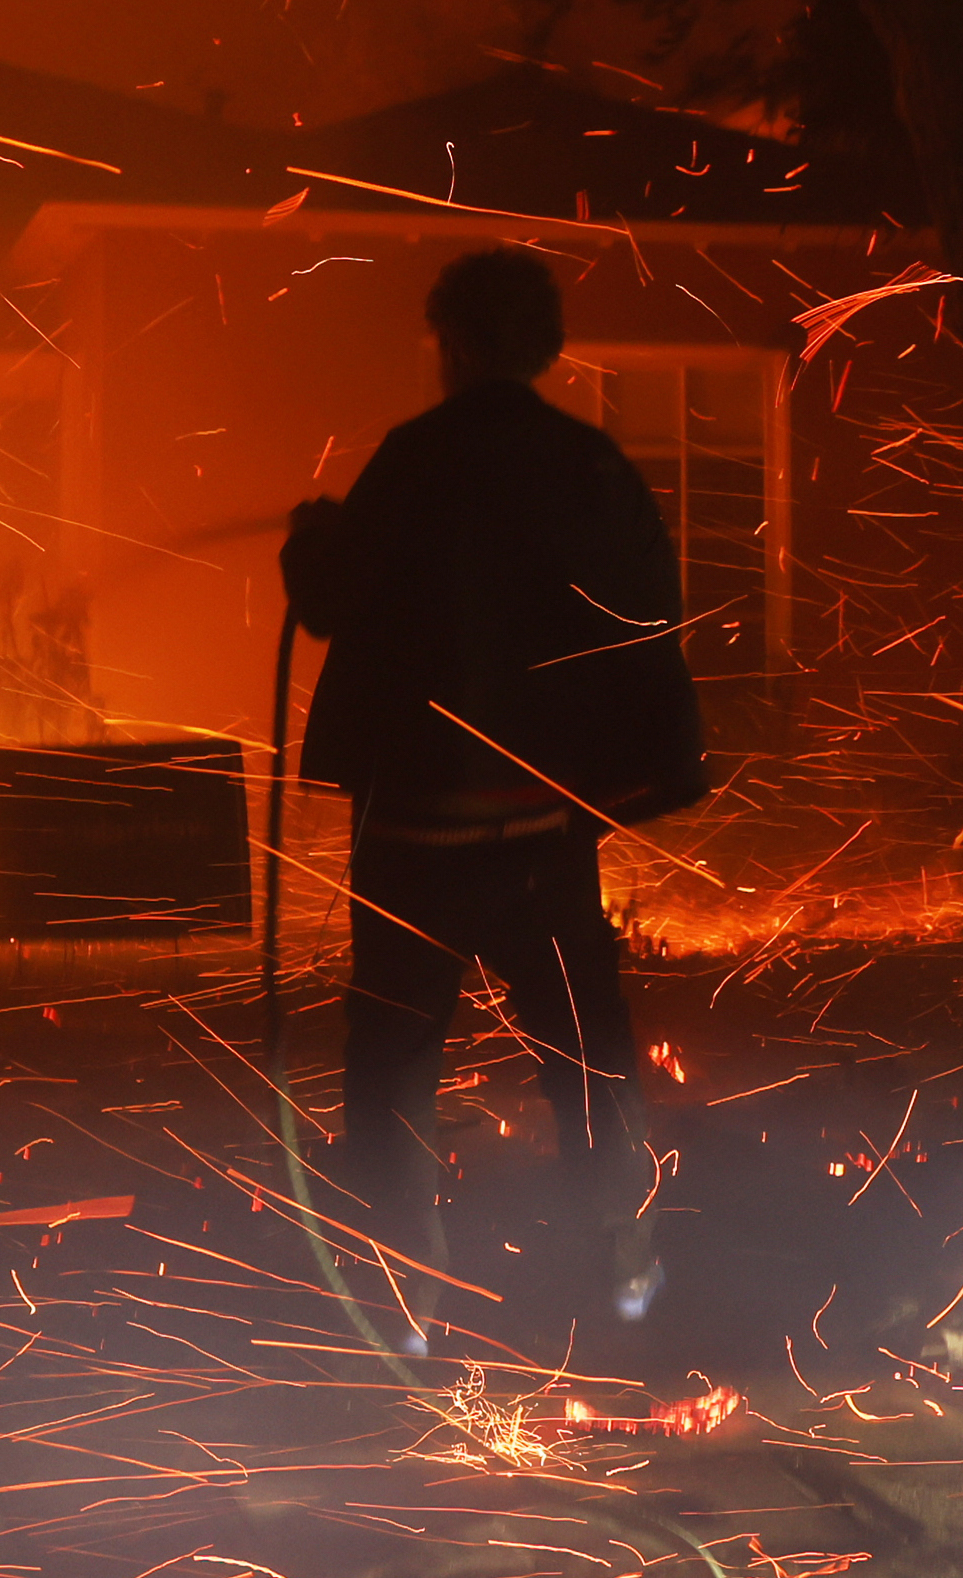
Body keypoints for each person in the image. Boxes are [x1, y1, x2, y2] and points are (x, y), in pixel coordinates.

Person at [281, 246, 712, 1334]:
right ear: (545, 348)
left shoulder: (414, 459)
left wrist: (312, 542)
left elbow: (332, 598)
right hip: (540, 833)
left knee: (388, 1075)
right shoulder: (588, 465)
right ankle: (618, 1277)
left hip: (418, 835)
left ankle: (396, 1306)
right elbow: (646, 618)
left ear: (457, 343)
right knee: (588, 1055)